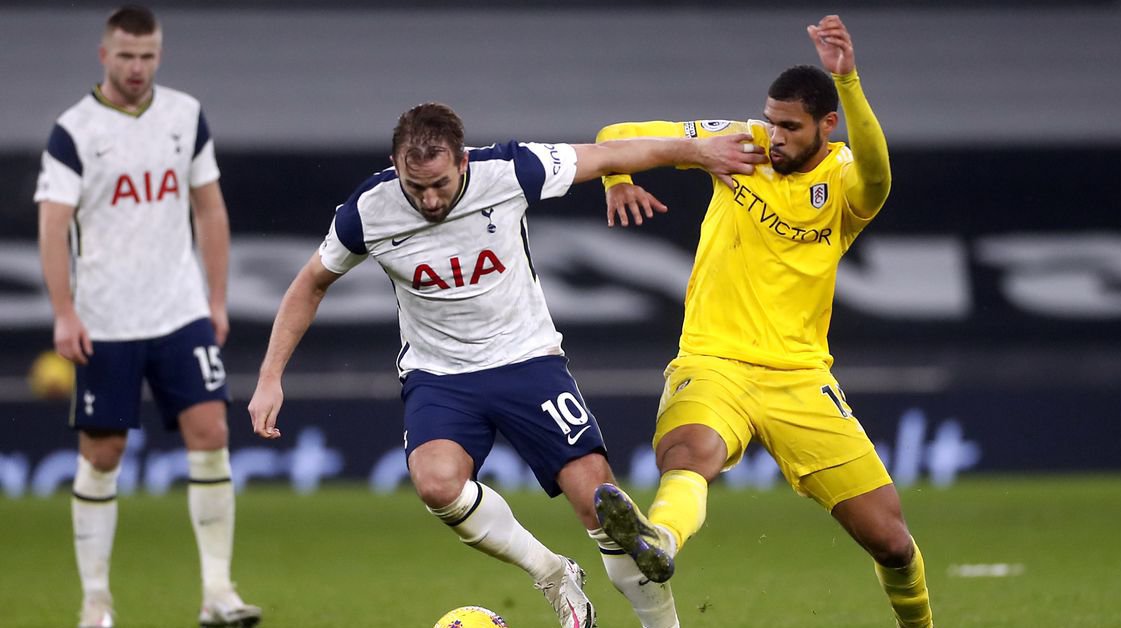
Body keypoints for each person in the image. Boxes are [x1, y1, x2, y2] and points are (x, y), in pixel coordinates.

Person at [246, 102, 764, 628]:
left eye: (440, 185)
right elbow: (310, 282)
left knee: (602, 505)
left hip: (526, 362)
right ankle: (553, 573)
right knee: (436, 483)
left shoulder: (510, 170)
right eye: (414, 185)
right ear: (394, 164)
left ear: (463, 162)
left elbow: (607, 152)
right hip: (439, 374)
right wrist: (270, 377)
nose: (428, 199)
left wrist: (696, 152)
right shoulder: (368, 210)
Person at [591, 15, 935, 628]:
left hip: (799, 378)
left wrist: (848, 80)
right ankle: (660, 543)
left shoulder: (845, 185)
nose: (772, 136)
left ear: (828, 125)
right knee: (686, 452)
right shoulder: (739, 143)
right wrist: (619, 174)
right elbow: (617, 132)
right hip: (713, 360)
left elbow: (879, 174)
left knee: (890, 539)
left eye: (789, 126)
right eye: (770, 120)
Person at [34, 6, 261, 628]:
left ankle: (218, 592)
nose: (138, 68)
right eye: (127, 56)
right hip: (105, 320)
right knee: (103, 452)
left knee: (211, 433)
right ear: (104, 56)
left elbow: (209, 211)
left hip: (179, 311)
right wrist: (64, 312)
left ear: (159, 55)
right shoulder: (74, 130)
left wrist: (215, 300)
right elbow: (53, 226)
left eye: (148, 56)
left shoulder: (184, 116)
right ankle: (96, 603)